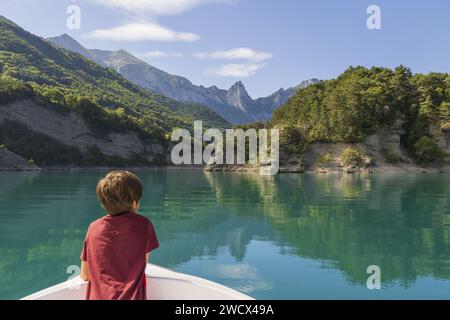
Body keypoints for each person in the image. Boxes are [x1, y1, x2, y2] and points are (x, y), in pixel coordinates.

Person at [80, 171, 159, 300]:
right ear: (134, 203)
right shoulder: (144, 225)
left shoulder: (94, 228)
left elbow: (85, 274)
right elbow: (142, 264)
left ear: (103, 203)